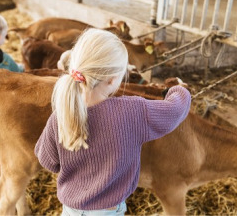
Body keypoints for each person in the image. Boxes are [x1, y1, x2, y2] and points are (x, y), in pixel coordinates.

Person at [35, 28, 191, 216]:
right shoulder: (132, 111)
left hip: (70, 210)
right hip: (107, 211)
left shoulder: (61, 113)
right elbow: (175, 110)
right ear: (112, 80)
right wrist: (178, 89)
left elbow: (48, 161)